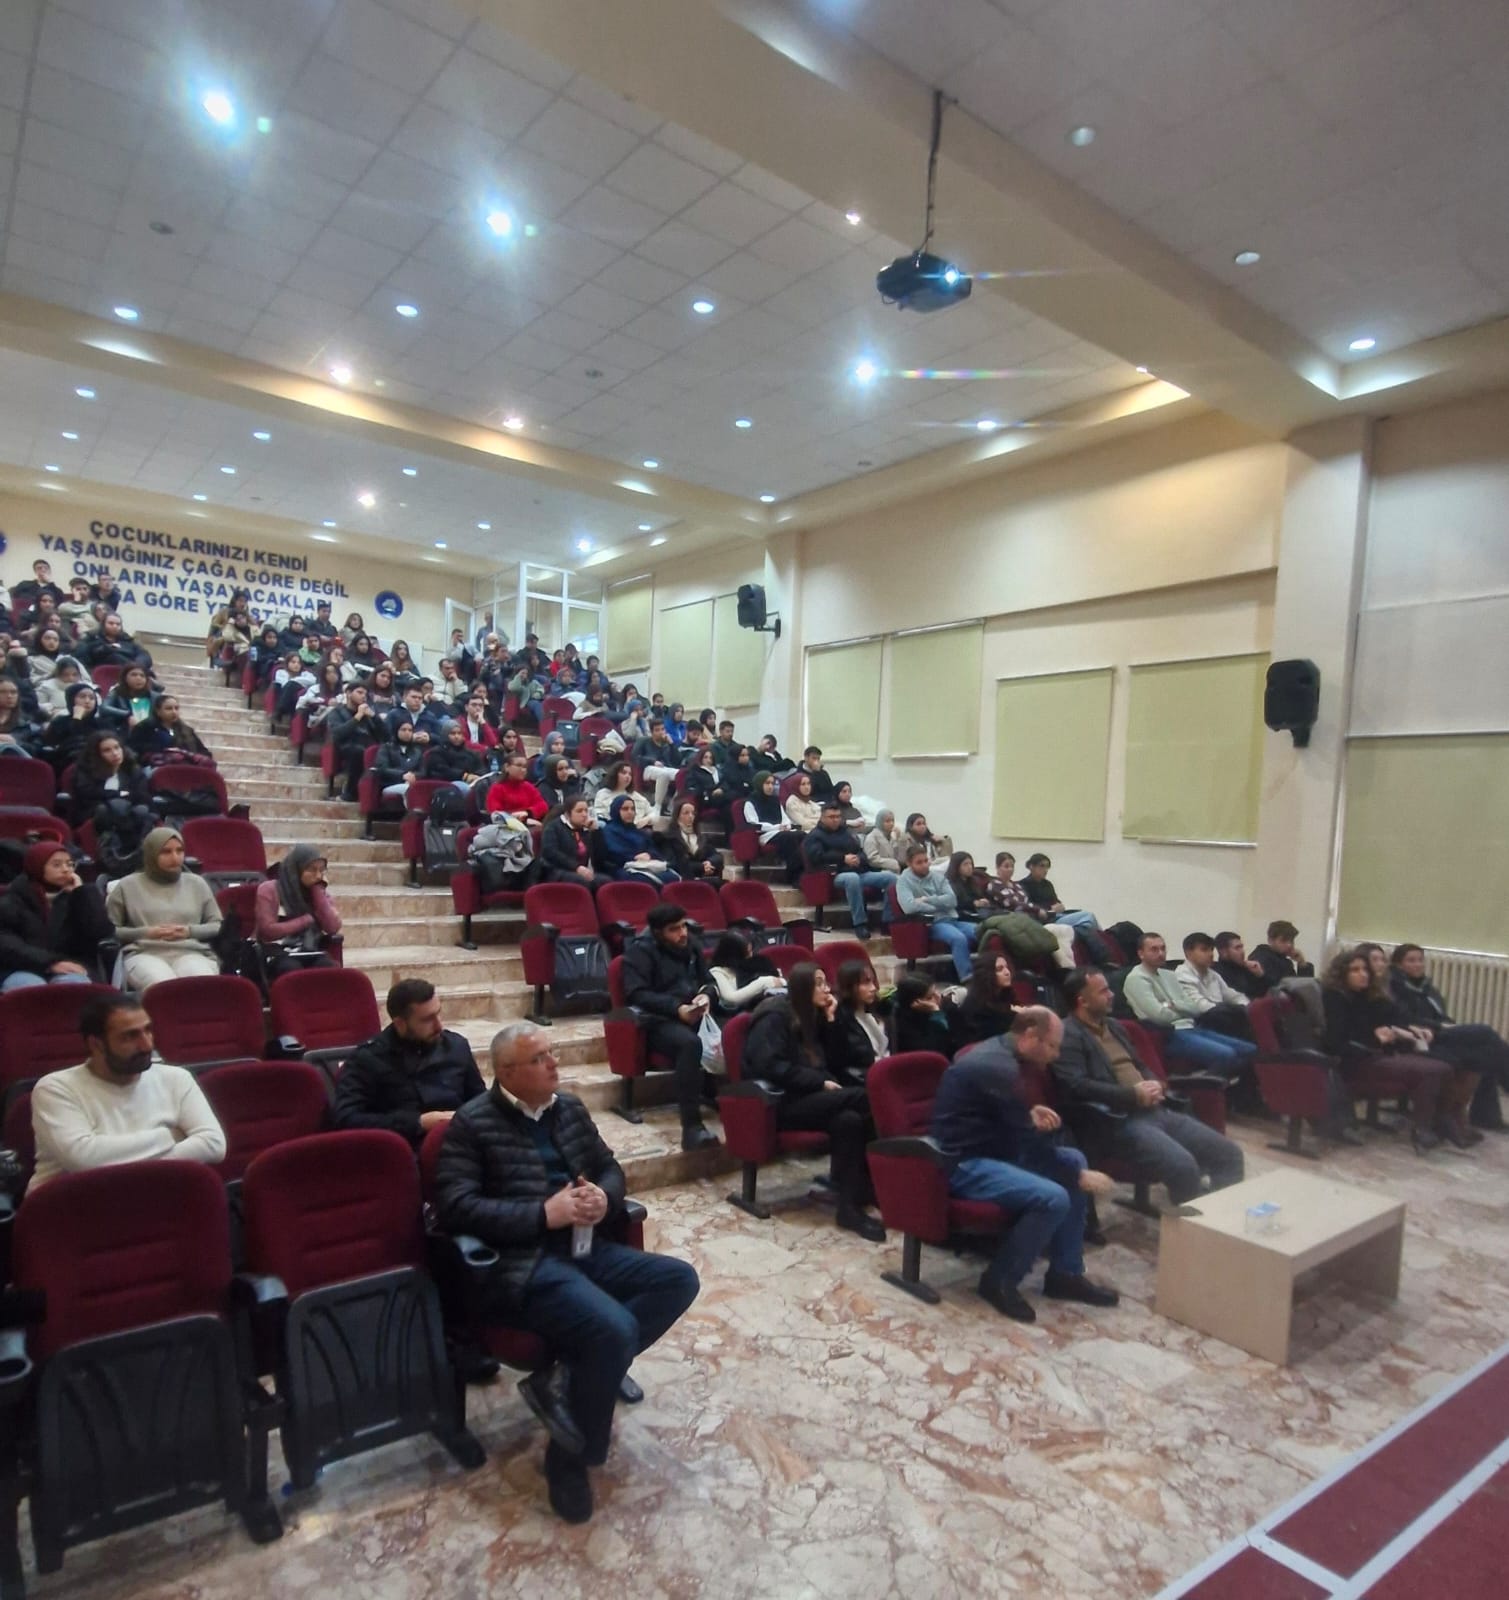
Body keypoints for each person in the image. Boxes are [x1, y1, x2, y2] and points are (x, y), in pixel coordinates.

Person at [434, 1022, 699, 1522]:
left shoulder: (570, 1109)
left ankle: (563, 1378)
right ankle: (569, 1457)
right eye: (539, 1059)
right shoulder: (472, 1124)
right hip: (524, 1263)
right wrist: (542, 1214)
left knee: (678, 1279)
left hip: (586, 1246)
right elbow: (456, 1207)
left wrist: (605, 1197)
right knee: (614, 1330)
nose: (553, 1063)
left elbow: (609, 1167)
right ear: (507, 1072)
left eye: (551, 1053)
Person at [931, 1008, 1120, 1322]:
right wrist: (1076, 1176)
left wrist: (1028, 1116)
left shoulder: (1007, 1055)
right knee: (1054, 1196)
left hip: (993, 1147)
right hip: (963, 1162)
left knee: (1074, 1158)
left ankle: (1065, 1274)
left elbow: (1002, 1119)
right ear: (1031, 1035)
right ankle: (998, 1281)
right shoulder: (998, 1067)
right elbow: (1025, 1142)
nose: (1056, 1055)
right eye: (1053, 1046)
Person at [1054, 969, 1245, 1204]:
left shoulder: (1114, 1026)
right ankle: (1188, 1225)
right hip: (1118, 1121)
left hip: (1155, 1109)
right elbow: (1077, 1086)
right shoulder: (1068, 1034)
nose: (1112, 995)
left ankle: (1218, 1217)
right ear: (1082, 1001)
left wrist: (1154, 1082)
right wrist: (1132, 1095)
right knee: (1183, 1167)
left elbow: (1140, 1064)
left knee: (1230, 1154)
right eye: (1103, 991)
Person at [744, 963, 885, 1240]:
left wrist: (831, 1020)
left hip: (811, 1098)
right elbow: (770, 1066)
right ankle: (871, 1185)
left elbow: (833, 1060)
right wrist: (819, 1082)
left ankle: (849, 1206)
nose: (827, 989)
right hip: (779, 1102)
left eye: (825, 982)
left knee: (849, 1121)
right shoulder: (774, 1016)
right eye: (819, 984)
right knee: (866, 1098)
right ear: (802, 988)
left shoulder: (813, 1015)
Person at [29, 992, 226, 1189]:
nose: (146, 1045)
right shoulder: (55, 1088)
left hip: (158, 1195)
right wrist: (170, 1137)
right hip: (76, 1200)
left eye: (148, 1030)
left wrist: (118, 1157)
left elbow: (214, 1145)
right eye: (130, 1036)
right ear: (96, 1044)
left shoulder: (176, 1078)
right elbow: (83, 1160)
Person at [1321, 948, 1459, 1152]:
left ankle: (1439, 1121)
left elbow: (1391, 1018)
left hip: (1376, 1054)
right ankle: (1422, 1129)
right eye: (1355, 970)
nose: (1363, 974)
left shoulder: (1366, 995)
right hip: (1356, 1061)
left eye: (1365, 969)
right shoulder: (1335, 998)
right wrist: (1377, 1038)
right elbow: (1337, 1041)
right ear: (1342, 974)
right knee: (1431, 1070)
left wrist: (1403, 1030)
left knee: (1444, 1067)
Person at [333, 978, 483, 1146]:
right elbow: (346, 1119)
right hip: (401, 1148)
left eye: (438, 1013)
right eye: (427, 1020)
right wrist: (417, 1123)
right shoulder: (367, 1059)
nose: (439, 1026)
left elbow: (481, 1102)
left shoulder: (456, 1046)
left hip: (459, 1144)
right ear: (400, 1024)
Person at [620, 903, 719, 1150]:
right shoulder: (639, 952)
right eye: (674, 929)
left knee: (737, 1028)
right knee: (689, 1044)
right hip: (657, 1021)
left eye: (684, 926)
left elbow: (709, 980)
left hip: (694, 1012)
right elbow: (637, 994)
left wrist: (706, 995)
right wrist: (677, 1009)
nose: (683, 933)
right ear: (657, 932)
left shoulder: (692, 945)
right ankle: (692, 1128)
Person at [1389, 942, 1509, 1133]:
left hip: (1441, 1033)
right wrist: (1440, 1026)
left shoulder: (1426, 987)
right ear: (1398, 964)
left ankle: (1486, 1117)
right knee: (1485, 1032)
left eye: (1420, 960)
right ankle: (1484, 1115)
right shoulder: (1395, 988)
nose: (1418, 964)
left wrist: (1446, 1024)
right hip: (1422, 1038)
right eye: (1411, 960)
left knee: (1488, 1052)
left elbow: (1441, 1014)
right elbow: (1406, 1018)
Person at [1122, 933, 1258, 1080]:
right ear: (1141, 953)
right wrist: (1179, 1007)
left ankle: (1227, 1088)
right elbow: (1160, 1017)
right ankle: (1200, 1086)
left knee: (1250, 1050)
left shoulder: (1169, 974)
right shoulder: (1136, 979)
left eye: (1163, 948)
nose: (1161, 953)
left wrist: (1172, 1005)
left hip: (1192, 1026)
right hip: (1169, 1034)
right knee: (1227, 1054)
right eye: (1154, 949)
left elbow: (1193, 1008)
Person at [104, 825, 222, 989]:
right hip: (144, 953)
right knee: (164, 988)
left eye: (179, 851)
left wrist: (189, 931)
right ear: (151, 854)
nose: (175, 858)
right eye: (166, 852)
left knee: (202, 986)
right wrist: (146, 933)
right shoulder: (127, 886)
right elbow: (110, 931)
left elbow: (217, 925)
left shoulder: (197, 883)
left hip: (191, 951)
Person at [0, 841, 113, 990]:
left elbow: (100, 931)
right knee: (31, 988)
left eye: (70, 864)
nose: (66, 870)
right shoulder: (13, 899)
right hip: (21, 967)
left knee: (73, 988)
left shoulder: (77, 897)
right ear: (37, 866)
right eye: (57, 865)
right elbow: (7, 944)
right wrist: (50, 963)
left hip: (70, 965)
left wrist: (82, 893)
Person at [802, 802, 893, 939]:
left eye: (838, 816)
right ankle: (860, 923)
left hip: (857, 870)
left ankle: (887, 921)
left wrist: (859, 859)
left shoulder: (845, 833)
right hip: (832, 874)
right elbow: (817, 857)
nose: (835, 820)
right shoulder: (815, 836)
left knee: (891, 878)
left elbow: (860, 851)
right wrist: (843, 859)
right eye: (831, 817)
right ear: (822, 818)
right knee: (852, 878)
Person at [976, 850, 1077, 971]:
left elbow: (1027, 903)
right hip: (1016, 920)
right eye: (1006, 866)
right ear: (998, 868)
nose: (1010, 869)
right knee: (1054, 932)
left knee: (1066, 930)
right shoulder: (994, 885)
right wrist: (1037, 910)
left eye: (1012, 866)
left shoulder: (1017, 886)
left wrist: (1039, 910)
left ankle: (1068, 968)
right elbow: (1013, 904)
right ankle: (1066, 969)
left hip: (1032, 918)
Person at [255, 844, 342, 976]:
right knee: (292, 968)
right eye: (312, 870)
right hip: (276, 952)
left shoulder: (319, 892)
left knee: (328, 968)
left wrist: (317, 893)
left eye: (321, 870)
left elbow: (333, 927)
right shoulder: (269, 890)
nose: (318, 876)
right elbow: (267, 931)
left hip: (310, 950)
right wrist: (306, 920)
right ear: (296, 869)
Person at [1215, 929, 1326, 1031]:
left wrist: (1261, 975)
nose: (1242, 951)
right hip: (1245, 1016)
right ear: (1223, 952)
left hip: (1265, 1011)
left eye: (1242, 947)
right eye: (1237, 948)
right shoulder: (1217, 972)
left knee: (1308, 987)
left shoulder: (1248, 968)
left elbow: (1270, 989)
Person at [895, 842, 977, 981]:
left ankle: (988, 974)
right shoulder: (903, 881)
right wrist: (939, 905)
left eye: (926, 860)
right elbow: (909, 907)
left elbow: (952, 900)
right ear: (909, 863)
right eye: (919, 862)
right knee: (958, 938)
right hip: (932, 923)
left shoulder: (938, 877)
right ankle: (967, 977)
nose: (924, 865)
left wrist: (927, 900)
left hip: (953, 919)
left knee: (982, 931)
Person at [1016, 852, 1110, 962]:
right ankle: (1105, 948)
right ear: (1031, 866)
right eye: (1042, 866)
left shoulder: (1047, 884)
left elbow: (1055, 901)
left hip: (1057, 915)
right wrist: (1050, 909)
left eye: (1047, 867)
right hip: (1046, 919)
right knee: (1089, 917)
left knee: (1084, 927)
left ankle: (1101, 955)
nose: (1045, 870)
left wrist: (1060, 906)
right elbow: (1029, 907)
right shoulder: (1022, 885)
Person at [1174, 932, 1260, 1042]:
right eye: (1204, 950)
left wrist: (1246, 1007)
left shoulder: (1212, 974)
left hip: (1222, 1019)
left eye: (1211, 950)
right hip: (1201, 1024)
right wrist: (1234, 1010)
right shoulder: (1182, 974)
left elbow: (1234, 996)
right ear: (1188, 953)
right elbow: (1201, 1006)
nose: (1210, 954)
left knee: (1254, 1017)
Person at [67, 728, 152, 827]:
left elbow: (141, 797)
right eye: (107, 750)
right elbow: (90, 796)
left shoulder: (133, 770)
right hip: (96, 819)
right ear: (96, 754)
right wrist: (120, 794)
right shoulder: (85, 772)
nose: (115, 753)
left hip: (131, 818)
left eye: (117, 747)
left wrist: (118, 796)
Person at [826, 959, 887, 1081]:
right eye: (866, 983)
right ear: (849, 986)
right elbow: (838, 1062)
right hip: (864, 1080)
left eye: (873, 981)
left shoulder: (879, 1010)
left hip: (886, 1071)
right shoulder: (840, 1019)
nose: (873, 988)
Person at [539, 796, 612, 892]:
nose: (584, 814)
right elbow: (550, 852)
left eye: (586, 811)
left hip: (581, 871)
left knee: (606, 881)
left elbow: (600, 858)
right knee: (582, 882)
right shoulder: (553, 827)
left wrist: (596, 832)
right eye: (579, 811)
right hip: (556, 871)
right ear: (568, 814)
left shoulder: (585, 829)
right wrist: (576, 867)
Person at [742, 770, 804, 883]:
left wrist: (786, 825)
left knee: (801, 835)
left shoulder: (775, 800)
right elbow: (754, 824)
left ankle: (801, 871)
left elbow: (784, 817)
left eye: (772, 783)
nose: (770, 786)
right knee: (789, 838)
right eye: (767, 783)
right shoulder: (750, 802)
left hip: (780, 831)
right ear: (759, 784)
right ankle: (792, 874)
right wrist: (776, 827)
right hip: (764, 834)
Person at [600, 794, 678, 883]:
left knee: (672, 877)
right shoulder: (608, 831)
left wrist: (649, 855)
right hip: (622, 867)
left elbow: (651, 848)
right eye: (625, 809)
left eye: (632, 809)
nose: (630, 812)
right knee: (645, 880)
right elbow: (613, 853)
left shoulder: (638, 832)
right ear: (616, 810)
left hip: (647, 865)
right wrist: (634, 857)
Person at [707, 930, 784, 1020]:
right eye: (747, 953)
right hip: (728, 1018)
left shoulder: (745, 966)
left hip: (755, 1012)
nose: (750, 956)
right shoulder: (717, 972)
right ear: (735, 955)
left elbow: (779, 981)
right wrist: (764, 982)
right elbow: (732, 999)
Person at [949, 950, 1017, 1052]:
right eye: (999, 969)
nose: (1007, 972)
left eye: (1007, 967)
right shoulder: (976, 1006)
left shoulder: (1004, 996)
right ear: (987, 974)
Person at [328, 683, 383, 802]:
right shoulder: (337, 712)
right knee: (357, 752)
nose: (363, 696)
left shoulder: (368, 714)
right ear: (348, 693)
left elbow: (385, 736)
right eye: (359, 692)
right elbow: (338, 734)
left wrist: (374, 717)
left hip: (368, 746)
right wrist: (357, 717)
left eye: (365, 694)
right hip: (347, 746)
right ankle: (350, 793)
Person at [128, 693, 213, 766]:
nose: (174, 712)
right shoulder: (145, 727)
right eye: (169, 709)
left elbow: (205, 752)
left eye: (176, 708)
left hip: (187, 768)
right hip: (157, 767)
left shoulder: (187, 730)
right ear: (158, 711)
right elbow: (135, 749)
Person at [890, 972, 954, 1056]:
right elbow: (938, 1047)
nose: (938, 997)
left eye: (936, 991)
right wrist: (936, 1013)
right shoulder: (903, 1026)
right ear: (916, 1003)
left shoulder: (946, 1005)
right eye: (930, 997)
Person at [662, 798, 723, 880]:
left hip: (704, 877)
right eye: (686, 813)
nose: (691, 816)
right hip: (682, 879)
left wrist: (710, 862)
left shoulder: (701, 837)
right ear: (677, 816)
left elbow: (717, 855)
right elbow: (673, 863)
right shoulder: (667, 837)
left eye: (693, 813)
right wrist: (701, 867)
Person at [420, 720, 488, 791]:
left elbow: (481, 768)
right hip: (446, 786)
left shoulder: (470, 753)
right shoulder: (436, 753)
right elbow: (443, 771)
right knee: (463, 787)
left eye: (459, 733)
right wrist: (464, 776)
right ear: (445, 735)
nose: (457, 736)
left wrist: (476, 776)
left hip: (473, 783)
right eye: (453, 733)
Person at [630, 718, 681, 812]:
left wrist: (671, 744)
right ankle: (657, 806)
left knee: (683, 775)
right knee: (663, 774)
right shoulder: (643, 740)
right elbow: (634, 756)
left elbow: (677, 760)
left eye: (663, 729)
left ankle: (672, 806)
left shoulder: (666, 744)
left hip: (664, 767)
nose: (661, 732)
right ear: (652, 732)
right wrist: (652, 761)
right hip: (646, 768)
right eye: (657, 730)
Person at [76, 612, 153, 672]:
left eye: (118, 624)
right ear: (103, 624)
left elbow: (144, 655)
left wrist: (136, 665)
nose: (115, 626)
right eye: (111, 623)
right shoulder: (91, 639)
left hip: (130, 671)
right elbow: (84, 659)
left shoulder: (128, 640)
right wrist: (108, 649)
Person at [484, 753, 549, 822]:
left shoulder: (528, 786)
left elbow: (543, 805)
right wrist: (516, 817)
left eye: (525, 767)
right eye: (519, 765)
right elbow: (496, 814)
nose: (523, 770)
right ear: (507, 767)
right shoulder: (497, 789)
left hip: (529, 822)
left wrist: (528, 813)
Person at [592, 761, 655, 827]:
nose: (627, 776)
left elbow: (653, 813)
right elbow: (599, 816)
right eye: (624, 773)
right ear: (615, 774)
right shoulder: (603, 794)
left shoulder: (636, 796)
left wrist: (647, 819)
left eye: (630, 774)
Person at [859, 809, 905, 874]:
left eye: (893, 820)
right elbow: (872, 859)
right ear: (880, 822)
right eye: (887, 821)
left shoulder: (892, 837)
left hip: (893, 871)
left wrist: (898, 839)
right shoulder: (872, 837)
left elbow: (900, 858)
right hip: (877, 871)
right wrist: (891, 863)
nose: (891, 823)